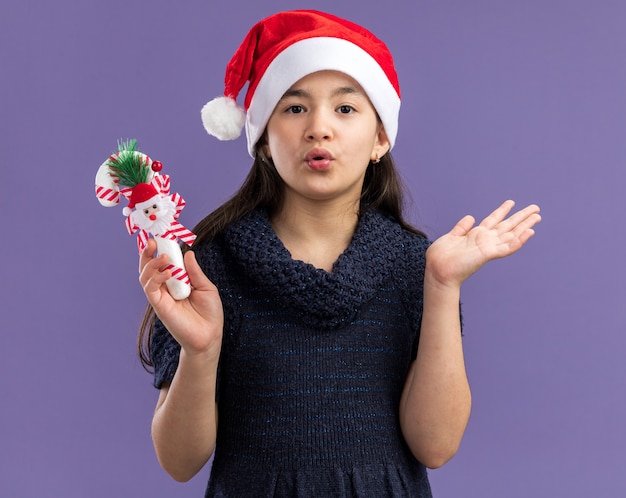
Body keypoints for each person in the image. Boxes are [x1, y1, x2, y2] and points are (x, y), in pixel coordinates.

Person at [137, 10, 541, 497]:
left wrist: (441, 287)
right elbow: (179, 463)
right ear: (263, 139)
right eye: (294, 108)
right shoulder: (205, 269)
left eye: (345, 109)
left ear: (380, 140)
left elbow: (434, 446)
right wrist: (199, 353)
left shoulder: (420, 265)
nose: (319, 129)